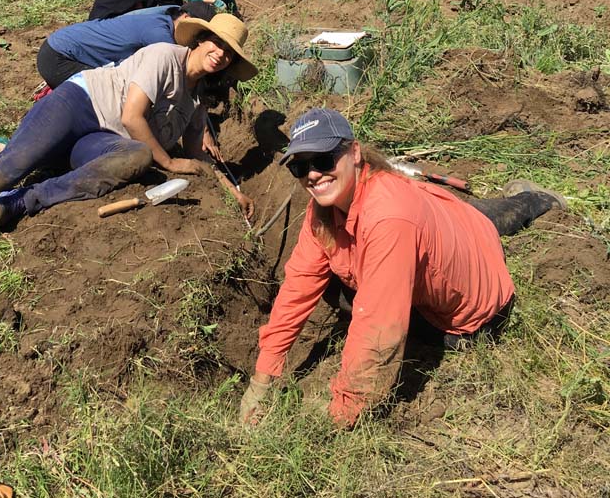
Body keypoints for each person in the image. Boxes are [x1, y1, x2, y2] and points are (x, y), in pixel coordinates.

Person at [239, 107, 566, 428]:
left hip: (474, 317)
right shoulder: (331, 205)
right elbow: (297, 287)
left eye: (323, 160)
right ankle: (529, 200)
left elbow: (379, 326)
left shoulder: (390, 217)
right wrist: (262, 380)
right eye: (300, 167)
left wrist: (339, 413)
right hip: (462, 222)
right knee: (480, 217)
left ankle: (540, 200)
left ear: (354, 153)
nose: (312, 174)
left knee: (363, 298)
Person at [0, 15, 259, 236]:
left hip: (101, 138)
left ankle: (21, 202)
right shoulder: (164, 56)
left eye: (229, 53)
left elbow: (196, 156)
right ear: (199, 40)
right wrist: (167, 164)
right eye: (216, 44)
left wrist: (232, 193)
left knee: (134, 155)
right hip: (78, 103)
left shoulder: (195, 99)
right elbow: (134, 116)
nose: (220, 55)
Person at [37, 2, 217, 89]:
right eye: (197, 32)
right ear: (185, 18)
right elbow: (177, 75)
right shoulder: (159, 33)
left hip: (62, 46)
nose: (195, 40)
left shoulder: (163, 17)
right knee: (106, 95)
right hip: (59, 57)